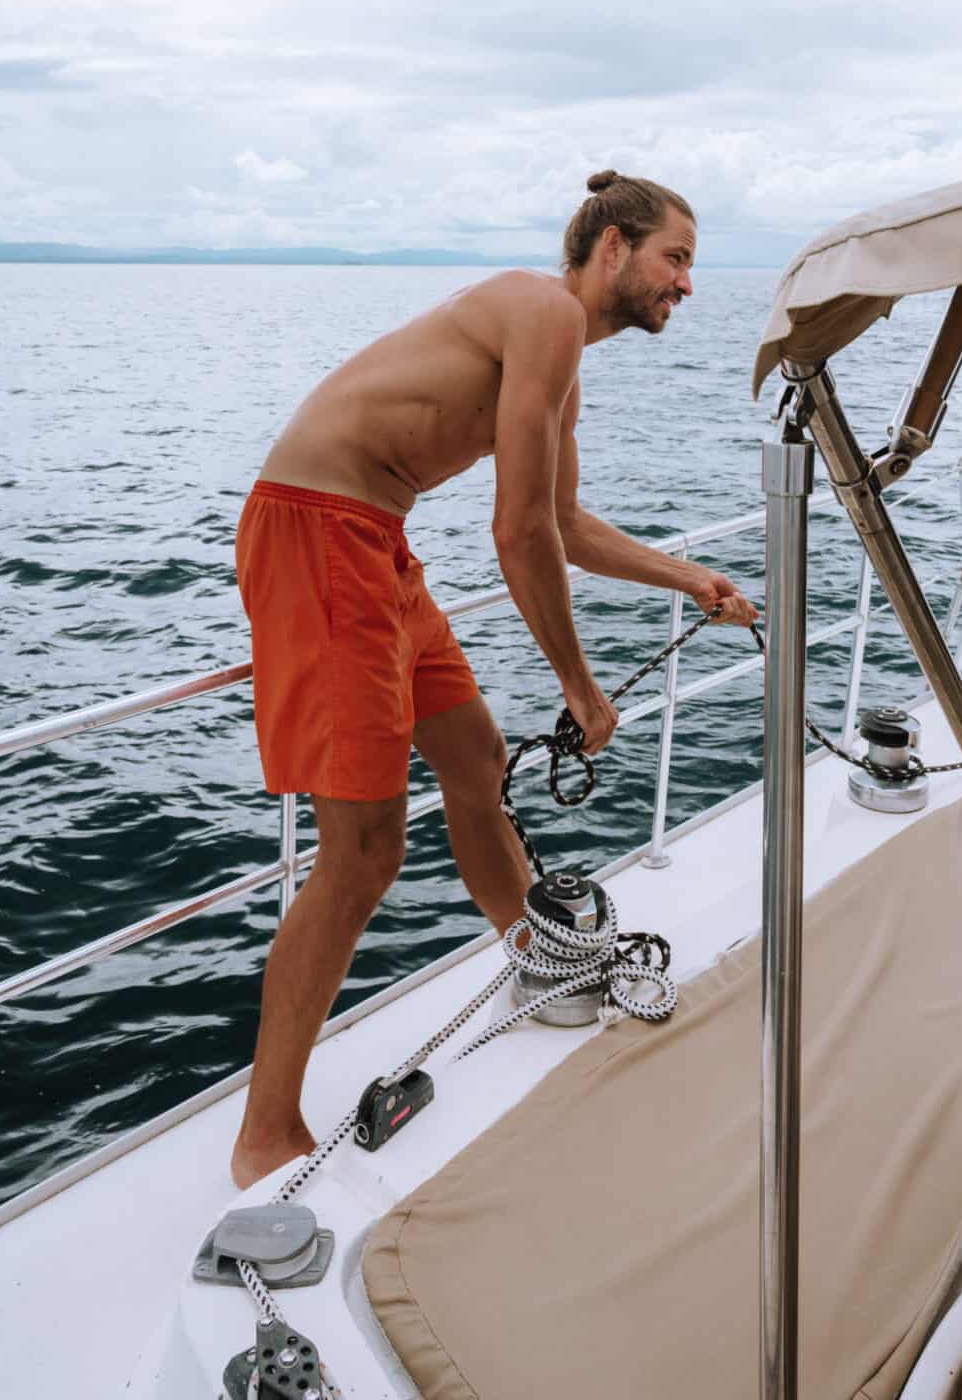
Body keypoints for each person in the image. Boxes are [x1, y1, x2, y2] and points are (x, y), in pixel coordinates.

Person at [229, 169, 759, 1187]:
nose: (687, 283)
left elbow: (563, 522)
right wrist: (582, 686)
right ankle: (265, 1129)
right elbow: (516, 532)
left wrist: (689, 577)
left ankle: (540, 960)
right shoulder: (543, 313)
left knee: (474, 758)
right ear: (612, 245)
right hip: (316, 533)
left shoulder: (554, 350)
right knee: (364, 851)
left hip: (375, 538)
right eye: (675, 258)